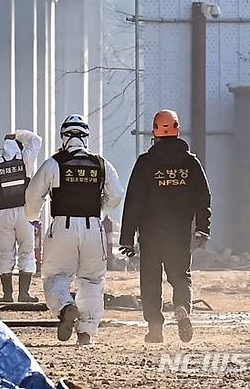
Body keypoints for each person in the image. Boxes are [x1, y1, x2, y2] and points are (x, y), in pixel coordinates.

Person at [25, 115, 124, 345]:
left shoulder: (54, 163)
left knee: (55, 276)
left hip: (62, 226)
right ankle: (86, 331)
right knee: (92, 280)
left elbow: (32, 196)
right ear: (86, 137)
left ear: (64, 136)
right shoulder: (101, 164)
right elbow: (117, 194)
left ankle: (66, 307)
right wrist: (102, 208)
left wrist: (33, 217)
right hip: (92, 227)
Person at [119, 109, 211, 344]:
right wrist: (202, 228)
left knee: (150, 280)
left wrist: (127, 238)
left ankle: (155, 328)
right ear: (178, 130)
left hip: (150, 234)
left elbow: (134, 201)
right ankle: (181, 307)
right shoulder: (190, 163)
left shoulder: (145, 162)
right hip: (180, 233)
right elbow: (203, 196)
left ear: (155, 132)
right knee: (181, 277)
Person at [0, 130, 43, 302]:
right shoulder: (25, 159)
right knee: (26, 251)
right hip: (24, 212)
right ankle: (24, 294)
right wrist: (18, 134)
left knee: (5, 253)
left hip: (2, 213)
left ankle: (7, 295)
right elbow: (36, 140)